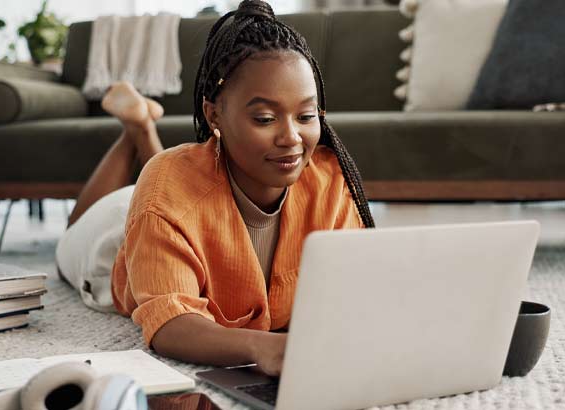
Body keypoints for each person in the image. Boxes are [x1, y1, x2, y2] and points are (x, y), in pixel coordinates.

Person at [55, 0, 375, 377]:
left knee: (170, 182)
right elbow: (169, 321)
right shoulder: (165, 191)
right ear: (213, 115)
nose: (292, 137)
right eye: (265, 118)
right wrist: (261, 346)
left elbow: (357, 287)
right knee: (78, 228)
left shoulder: (330, 180)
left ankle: (142, 128)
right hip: (112, 240)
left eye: (306, 115)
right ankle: (135, 133)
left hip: (177, 198)